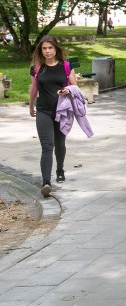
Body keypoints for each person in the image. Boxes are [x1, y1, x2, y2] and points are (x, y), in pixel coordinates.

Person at [28, 35, 78, 197]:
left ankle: (60, 169)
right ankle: (46, 183)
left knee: (59, 143)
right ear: (41, 50)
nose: (47, 51)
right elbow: (34, 89)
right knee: (47, 146)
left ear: (56, 49)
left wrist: (67, 90)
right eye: (44, 48)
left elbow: (75, 89)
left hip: (61, 112)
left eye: (50, 48)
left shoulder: (66, 66)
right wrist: (30, 106)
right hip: (43, 111)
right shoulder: (37, 68)